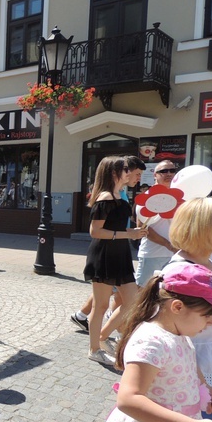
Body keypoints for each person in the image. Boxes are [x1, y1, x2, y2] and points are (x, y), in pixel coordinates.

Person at [78, 263, 212, 422]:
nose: (210, 323)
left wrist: (203, 389)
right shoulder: (152, 342)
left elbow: (187, 366)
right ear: (177, 307)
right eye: (207, 315)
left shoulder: (180, 333)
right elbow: (129, 399)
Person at [164, 197, 212, 422]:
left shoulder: (211, 262)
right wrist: (203, 384)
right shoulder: (182, 273)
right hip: (200, 367)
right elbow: (177, 334)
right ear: (203, 230)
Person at [83, 156, 147, 365]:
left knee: (134, 301)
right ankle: (94, 349)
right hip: (104, 255)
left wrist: (132, 232)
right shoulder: (105, 198)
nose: (129, 173)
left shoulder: (118, 195)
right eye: (126, 169)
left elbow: (115, 228)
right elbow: (95, 231)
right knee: (100, 306)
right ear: (113, 173)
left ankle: (102, 337)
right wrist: (128, 234)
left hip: (120, 254)